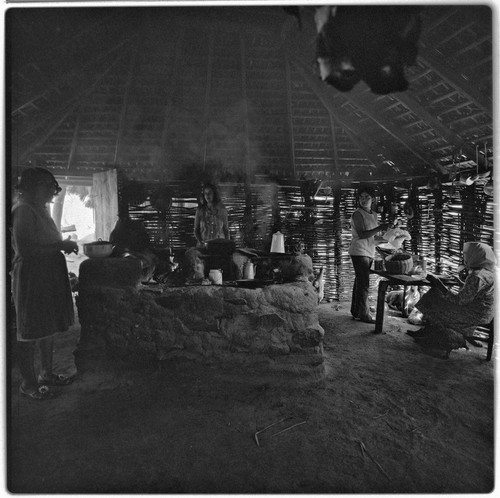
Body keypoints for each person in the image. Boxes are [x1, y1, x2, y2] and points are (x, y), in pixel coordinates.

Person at [11, 167, 79, 400]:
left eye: (53, 186)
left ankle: (46, 374)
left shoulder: (40, 209)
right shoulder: (23, 211)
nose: (52, 190)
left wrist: (61, 244)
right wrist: (61, 246)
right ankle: (28, 384)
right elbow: (26, 250)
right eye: (48, 186)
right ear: (33, 187)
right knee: (29, 330)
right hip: (32, 276)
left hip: (47, 274)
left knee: (46, 325)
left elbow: (46, 240)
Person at [409, 241, 496, 358]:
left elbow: (460, 300)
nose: (465, 257)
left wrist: (439, 284)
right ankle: (430, 330)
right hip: (486, 314)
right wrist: (461, 283)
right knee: (437, 296)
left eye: (467, 254)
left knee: (434, 295)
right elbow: (477, 293)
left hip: (472, 315)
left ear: (476, 256)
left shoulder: (477, 276)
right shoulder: (491, 273)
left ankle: (432, 334)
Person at [348, 185, 392, 323]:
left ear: (373, 199)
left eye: (367, 197)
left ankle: (356, 311)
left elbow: (371, 237)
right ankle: (364, 314)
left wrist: (389, 239)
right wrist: (380, 228)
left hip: (368, 251)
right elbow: (362, 234)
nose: (364, 199)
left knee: (360, 282)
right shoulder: (357, 214)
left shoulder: (373, 215)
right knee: (364, 284)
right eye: (361, 197)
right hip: (359, 251)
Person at [194, 183, 229, 247]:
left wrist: (227, 245)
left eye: (209, 193)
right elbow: (196, 230)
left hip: (219, 247)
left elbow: (226, 230)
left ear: (214, 194)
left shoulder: (222, 211)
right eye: (205, 193)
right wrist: (201, 242)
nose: (207, 195)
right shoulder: (200, 211)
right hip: (204, 247)